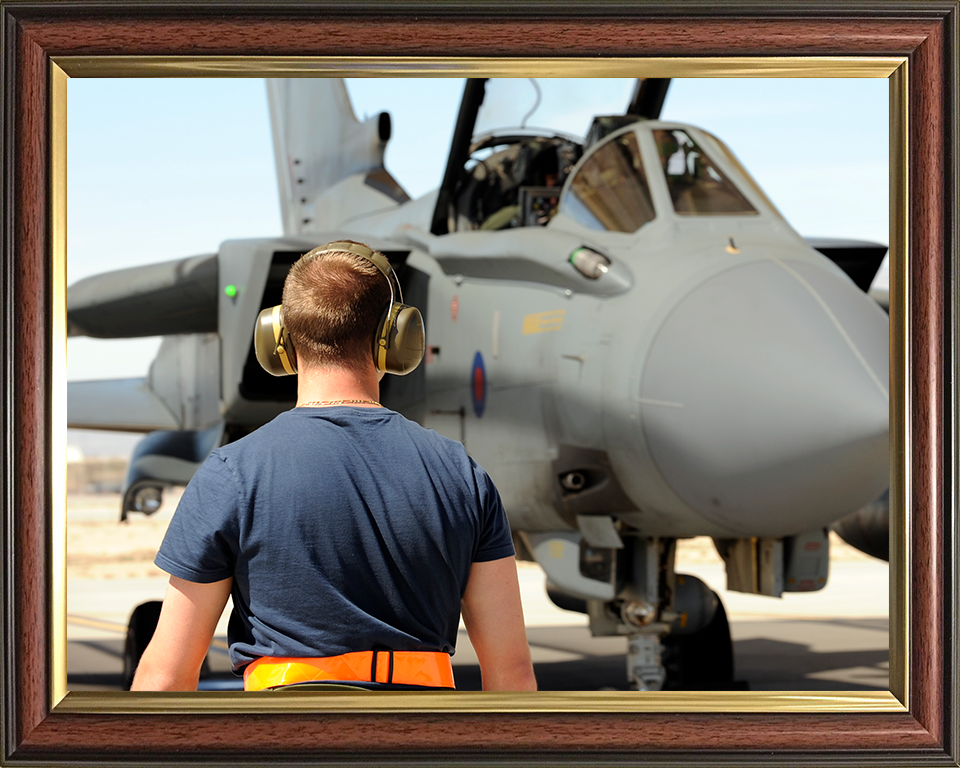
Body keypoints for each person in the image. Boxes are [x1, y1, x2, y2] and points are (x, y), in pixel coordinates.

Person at [131, 241, 537, 692]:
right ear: (394, 339)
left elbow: (165, 677)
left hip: (278, 747)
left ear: (278, 338)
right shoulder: (462, 475)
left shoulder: (231, 473)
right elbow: (511, 674)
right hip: (423, 750)